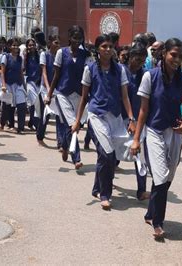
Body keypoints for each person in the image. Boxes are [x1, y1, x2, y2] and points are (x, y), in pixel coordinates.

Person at [130, 38, 182, 239]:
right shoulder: (150, 77)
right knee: (161, 177)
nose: (177, 59)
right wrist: (136, 139)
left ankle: (150, 212)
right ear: (163, 54)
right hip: (154, 131)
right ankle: (158, 223)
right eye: (173, 54)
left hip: (174, 133)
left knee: (168, 177)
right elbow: (143, 110)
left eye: (180, 56)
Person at [72, 34, 135, 210]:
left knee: (109, 156)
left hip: (114, 117)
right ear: (97, 49)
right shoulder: (90, 69)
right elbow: (84, 98)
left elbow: (125, 96)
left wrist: (131, 118)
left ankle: (97, 187)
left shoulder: (120, 70)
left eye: (110, 46)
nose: (108, 50)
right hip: (97, 116)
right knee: (106, 154)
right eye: (104, 46)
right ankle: (105, 194)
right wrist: (78, 121)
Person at [47, 25, 92, 169]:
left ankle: (65, 146)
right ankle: (76, 158)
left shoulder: (86, 55)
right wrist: (49, 94)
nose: (77, 41)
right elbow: (56, 75)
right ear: (69, 37)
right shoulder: (61, 52)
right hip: (63, 93)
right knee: (71, 124)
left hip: (78, 95)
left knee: (74, 125)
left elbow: (90, 77)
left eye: (80, 38)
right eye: (74, 38)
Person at [121, 43, 150, 201]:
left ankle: (141, 190)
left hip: (138, 120)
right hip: (120, 119)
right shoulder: (121, 71)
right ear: (130, 57)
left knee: (140, 154)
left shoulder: (145, 75)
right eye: (137, 59)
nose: (140, 63)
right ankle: (105, 181)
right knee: (114, 154)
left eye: (143, 61)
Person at [36, 34, 61, 147]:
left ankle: (60, 141)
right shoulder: (44, 55)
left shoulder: (59, 56)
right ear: (50, 43)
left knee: (59, 115)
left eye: (59, 43)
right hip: (45, 88)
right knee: (45, 113)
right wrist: (48, 90)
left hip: (56, 89)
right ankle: (40, 136)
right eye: (56, 42)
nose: (58, 45)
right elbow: (44, 73)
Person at [0, 37, 27, 134]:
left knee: (21, 105)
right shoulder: (5, 57)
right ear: (9, 46)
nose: (15, 47)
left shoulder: (20, 58)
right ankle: (3, 123)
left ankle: (20, 128)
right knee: (7, 106)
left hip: (18, 84)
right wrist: (3, 85)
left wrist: (24, 86)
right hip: (8, 84)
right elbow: (2, 72)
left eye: (17, 45)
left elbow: (21, 72)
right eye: (13, 45)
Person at [24, 38, 41, 131]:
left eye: (33, 45)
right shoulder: (25, 57)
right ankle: (35, 122)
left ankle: (31, 121)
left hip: (38, 82)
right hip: (30, 82)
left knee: (36, 103)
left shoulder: (39, 56)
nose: (31, 47)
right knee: (34, 101)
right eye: (29, 45)